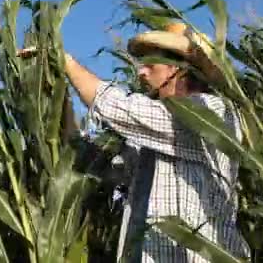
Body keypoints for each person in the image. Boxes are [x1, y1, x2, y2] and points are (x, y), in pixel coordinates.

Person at [21, 22, 251, 262]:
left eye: (151, 64)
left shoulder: (209, 113)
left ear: (179, 69)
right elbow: (102, 166)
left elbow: (116, 107)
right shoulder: (155, 140)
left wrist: (65, 60)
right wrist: (62, 96)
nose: (141, 72)